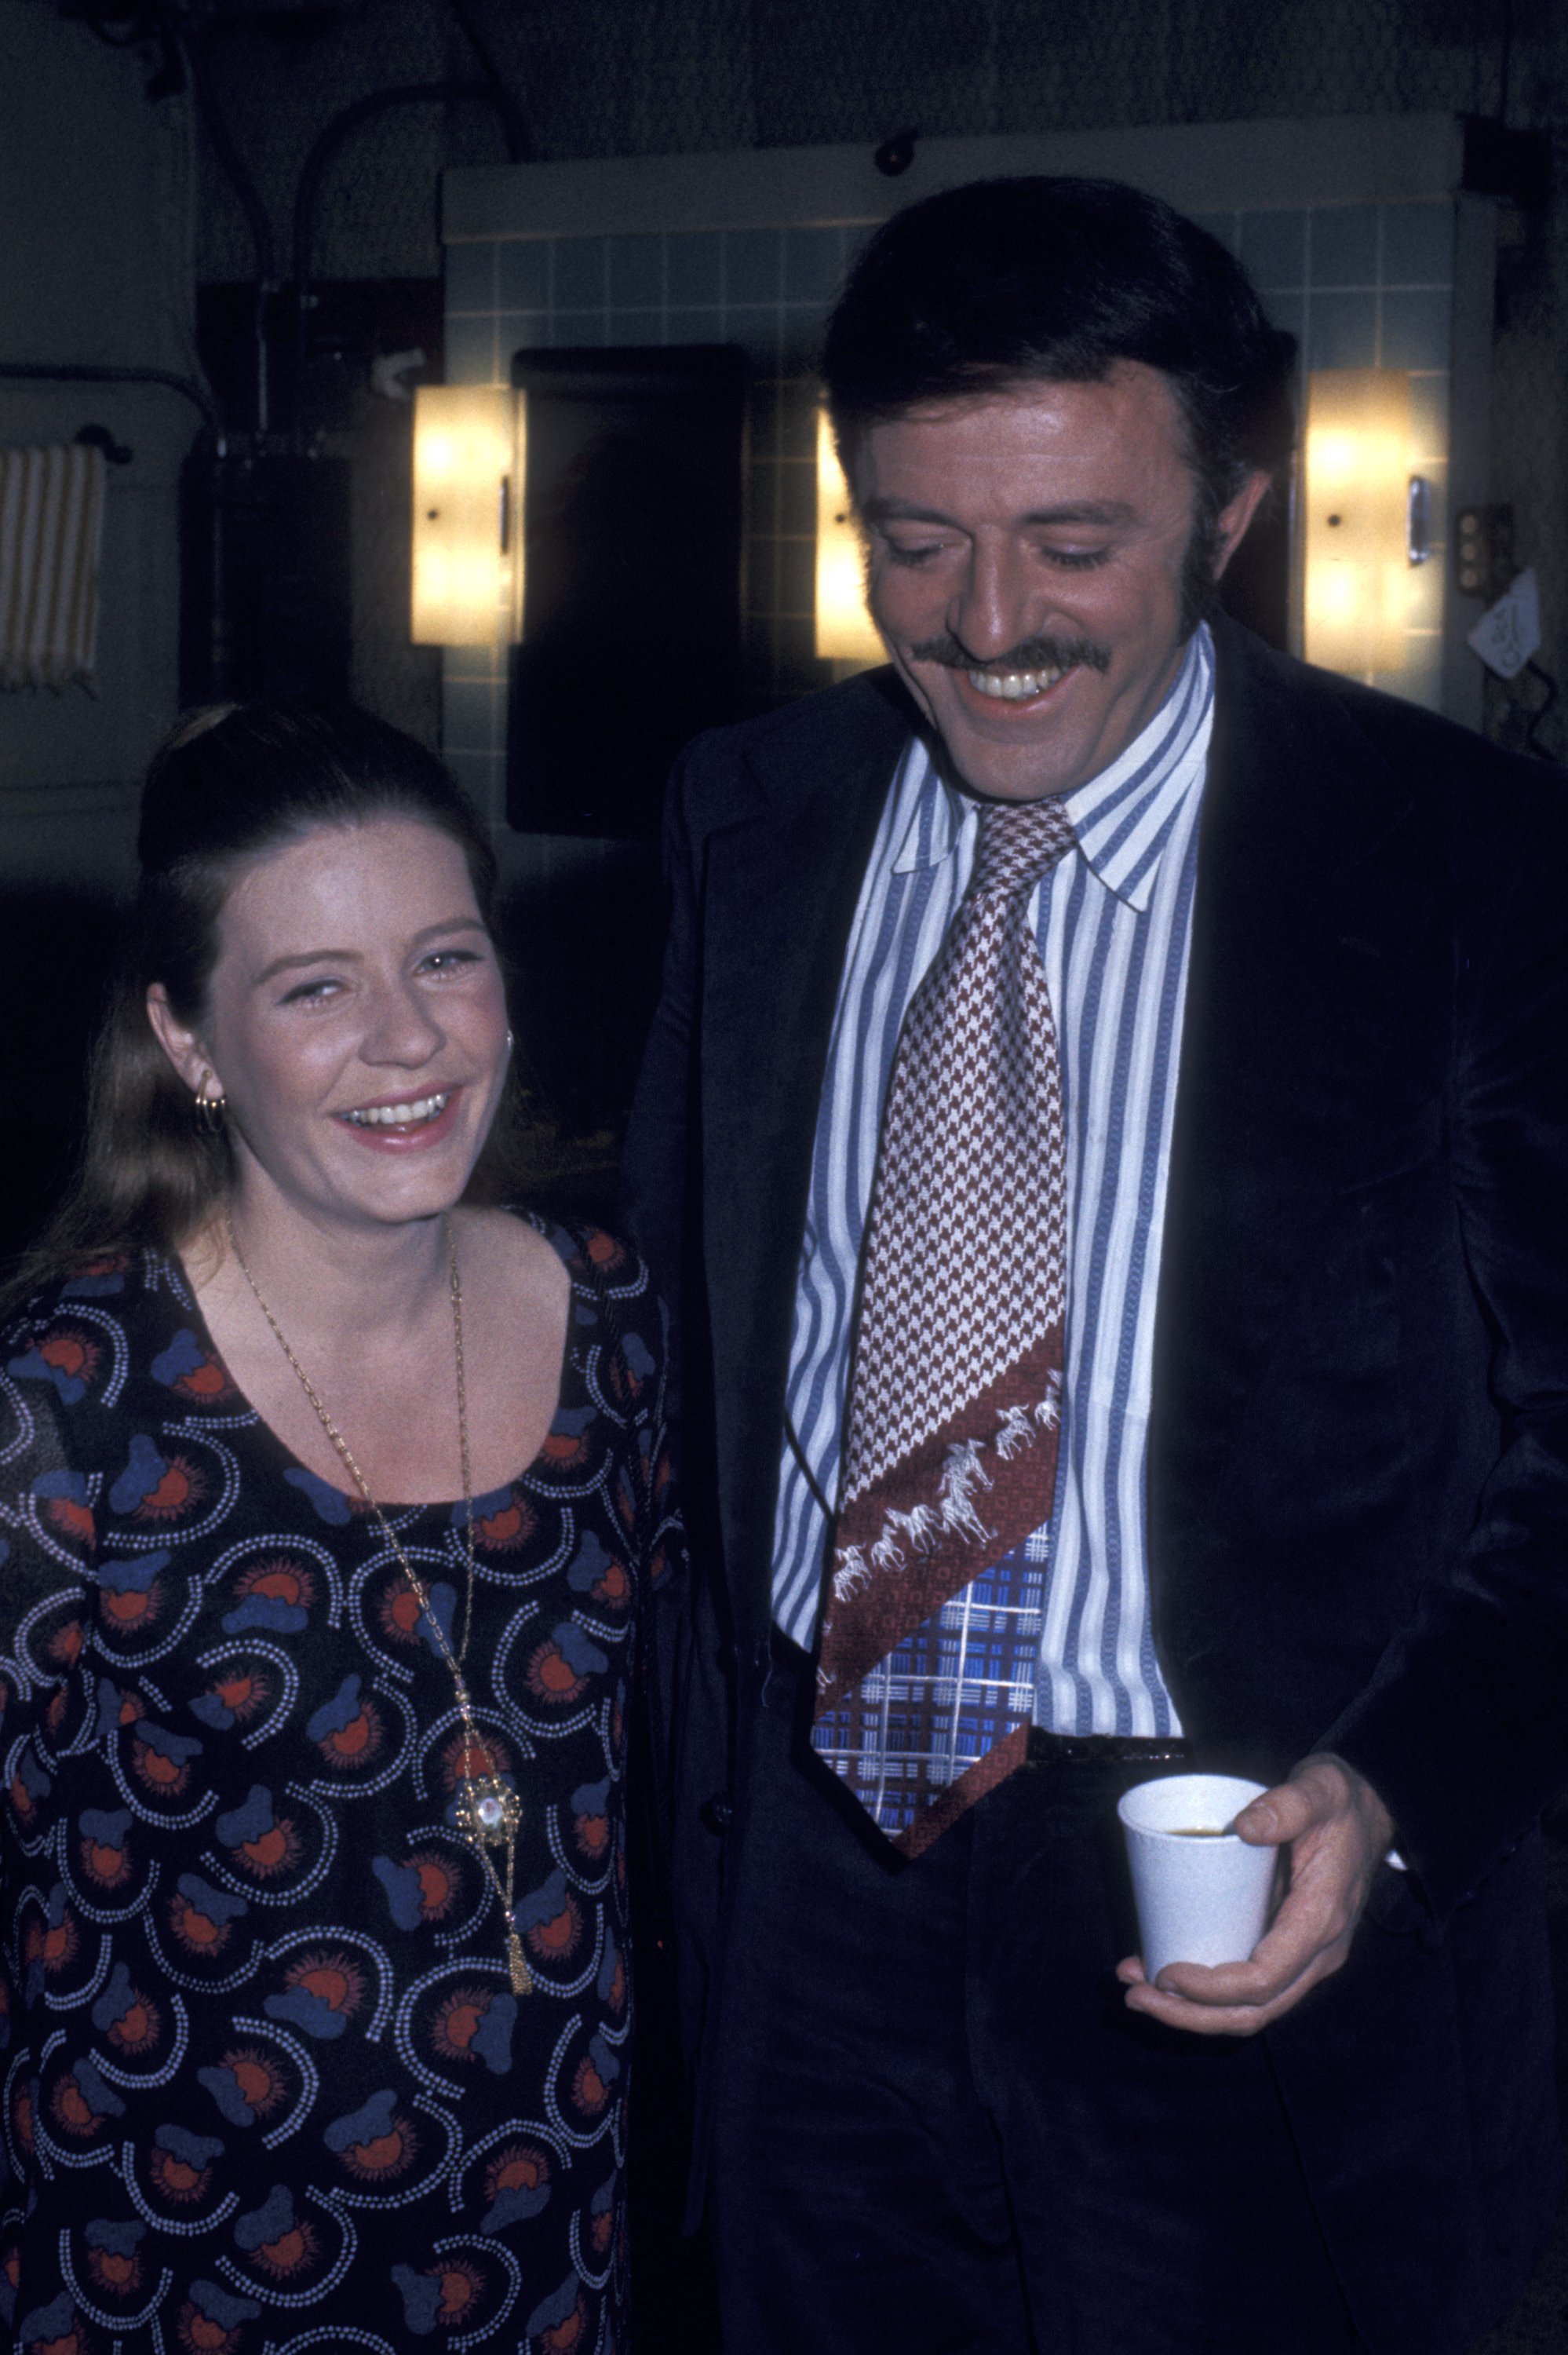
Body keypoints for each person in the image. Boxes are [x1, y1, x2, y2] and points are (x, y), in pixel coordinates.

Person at [619, 175, 1568, 2355]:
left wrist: (1393, 1781)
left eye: (1070, 543)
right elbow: (665, 1313)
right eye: (913, 538)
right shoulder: (743, 814)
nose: (981, 623)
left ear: (1225, 513)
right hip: (814, 1865)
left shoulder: (1465, 867)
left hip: (1245, 1881)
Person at [0, 701, 677, 2355]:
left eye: (444, 960)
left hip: (551, 2267)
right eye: (316, 988)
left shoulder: (610, 1317)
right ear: (191, 1042)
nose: (409, 1040)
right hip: (170, 2279)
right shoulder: (68, 1403)